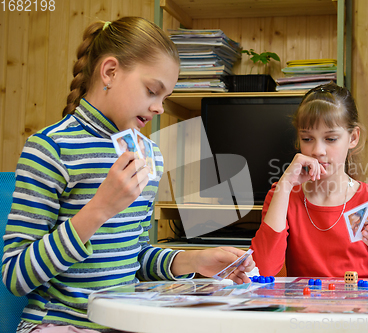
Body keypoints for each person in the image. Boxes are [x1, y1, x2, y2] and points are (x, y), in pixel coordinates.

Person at [2, 17, 254, 333]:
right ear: (110, 71)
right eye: (152, 91)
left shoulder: (149, 155)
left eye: (165, 97)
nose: (160, 108)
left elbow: (134, 256)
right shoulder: (50, 148)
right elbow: (15, 276)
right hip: (58, 323)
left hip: (122, 321)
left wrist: (193, 261)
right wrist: (99, 210)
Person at [250, 82, 368, 279]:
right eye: (307, 139)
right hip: (305, 308)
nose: (317, 151)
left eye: (330, 139)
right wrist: (285, 185)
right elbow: (261, 271)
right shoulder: (283, 195)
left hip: (359, 307)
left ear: (353, 138)